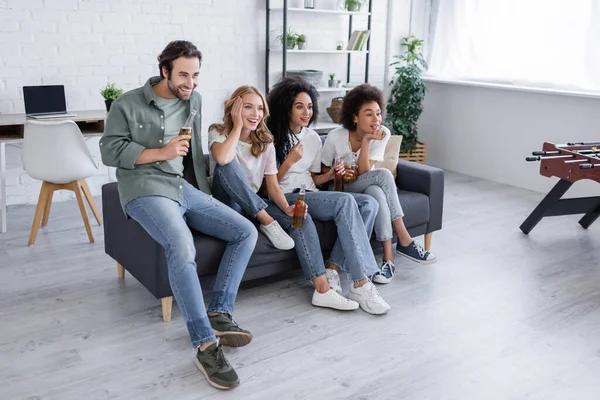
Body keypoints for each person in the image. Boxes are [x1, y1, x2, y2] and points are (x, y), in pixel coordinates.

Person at [99, 40, 255, 390]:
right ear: (165, 70)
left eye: (196, 75)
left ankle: (219, 312)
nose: (191, 82)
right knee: (182, 247)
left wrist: (206, 193)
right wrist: (161, 151)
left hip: (181, 188)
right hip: (143, 188)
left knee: (246, 231)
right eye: (183, 74)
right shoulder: (128, 103)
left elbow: (192, 156)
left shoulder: (193, 101)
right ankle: (205, 344)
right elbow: (109, 151)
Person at [209, 85, 389, 314]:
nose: (255, 114)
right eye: (247, 108)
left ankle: (326, 282)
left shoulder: (266, 141)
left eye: (259, 109)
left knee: (312, 216)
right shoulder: (220, 132)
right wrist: (236, 126)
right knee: (227, 166)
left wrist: (288, 208)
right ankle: (360, 281)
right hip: (234, 203)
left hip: (282, 198)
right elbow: (226, 160)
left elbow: (273, 184)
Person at [267, 76, 390, 314]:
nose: (306, 112)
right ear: (286, 107)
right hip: (285, 195)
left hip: (309, 193)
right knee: (345, 201)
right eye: (299, 106)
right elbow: (268, 184)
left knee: (369, 204)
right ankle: (361, 282)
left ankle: (333, 269)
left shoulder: (312, 137)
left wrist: (332, 174)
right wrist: (289, 161)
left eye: (310, 106)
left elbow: (314, 179)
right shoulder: (271, 137)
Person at [321, 83, 437, 284]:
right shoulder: (335, 136)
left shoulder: (382, 132)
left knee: (376, 192)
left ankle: (388, 260)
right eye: (369, 114)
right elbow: (323, 171)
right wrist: (337, 172)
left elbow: (365, 172)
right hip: (340, 188)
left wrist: (366, 141)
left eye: (378, 113)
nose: (376, 119)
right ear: (355, 117)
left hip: (366, 184)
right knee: (382, 175)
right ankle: (404, 239)